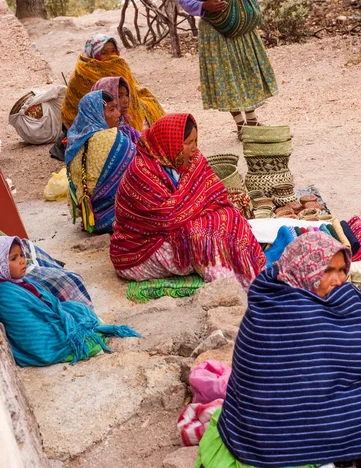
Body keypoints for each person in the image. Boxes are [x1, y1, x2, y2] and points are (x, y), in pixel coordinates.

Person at [195, 231, 361, 468]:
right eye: (327, 271)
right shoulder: (289, 313)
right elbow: (348, 362)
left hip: (299, 402)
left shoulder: (280, 290)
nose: (338, 279)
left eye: (342, 269)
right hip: (278, 430)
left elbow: (357, 353)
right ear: (304, 270)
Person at [110, 113, 266, 289]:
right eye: (188, 143)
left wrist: (203, 212)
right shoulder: (141, 172)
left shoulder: (191, 160)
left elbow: (215, 193)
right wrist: (202, 212)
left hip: (173, 234)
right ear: (170, 143)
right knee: (202, 236)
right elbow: (167, 218)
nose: (194, 148)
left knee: (230, 217)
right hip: (141, 251)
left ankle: (250, 274)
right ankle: (230, 285)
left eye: (195, 141)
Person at [178, 0, 278, 140]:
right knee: (228, 74)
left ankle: (252, 121)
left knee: (246, 68)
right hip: (215, 28)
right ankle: (241, 125)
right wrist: (204, 6)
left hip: (241, 28)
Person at [0, 236, 140, 367]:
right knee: (85, 340)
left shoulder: (20, 281)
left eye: (22, 255)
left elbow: (48, 302)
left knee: (78, 308)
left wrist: (56, 313)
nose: (22, 260)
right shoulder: (5, 294)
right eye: (13, 258)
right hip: (39, 334)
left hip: (47, 318)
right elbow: (27, 329)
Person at [65, 90, 139, 234]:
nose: (118, 114)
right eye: (111, 109)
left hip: (92, 221)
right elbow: (140, 169)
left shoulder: (73, 145)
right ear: (97, 114)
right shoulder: (113, 137)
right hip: (119, 215)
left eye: (116, 108)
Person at [61, 33, 164, 131]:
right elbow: (76, 108)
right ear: (93, 54)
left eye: (113, 51)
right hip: (96, 120)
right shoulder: (82, 74)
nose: (111, 56)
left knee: (150, 104)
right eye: (104, 53)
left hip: (126, 107)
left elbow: (132, 92)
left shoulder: (119, 66)